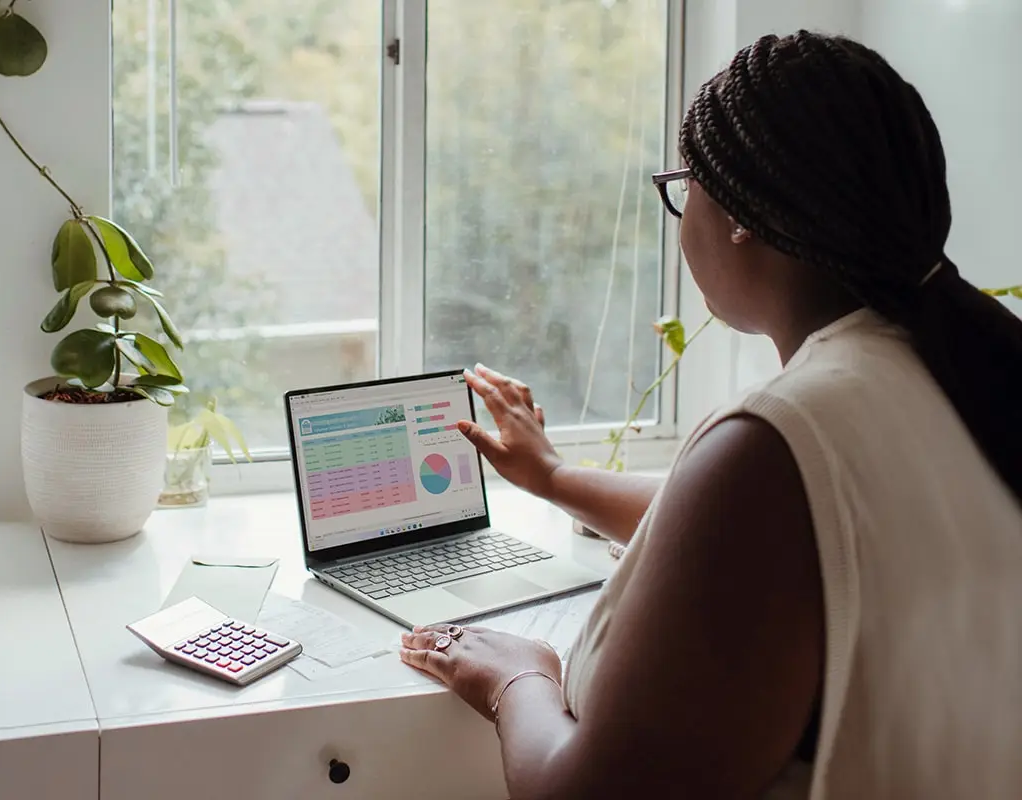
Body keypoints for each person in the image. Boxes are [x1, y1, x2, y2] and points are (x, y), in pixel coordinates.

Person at [398, 30, 1022, 799]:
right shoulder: (957, 378)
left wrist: (518, 680)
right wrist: (555, 476)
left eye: (684, 185)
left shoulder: (782, 442)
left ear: (741, 217)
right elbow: (772, 540)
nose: (680, 210)